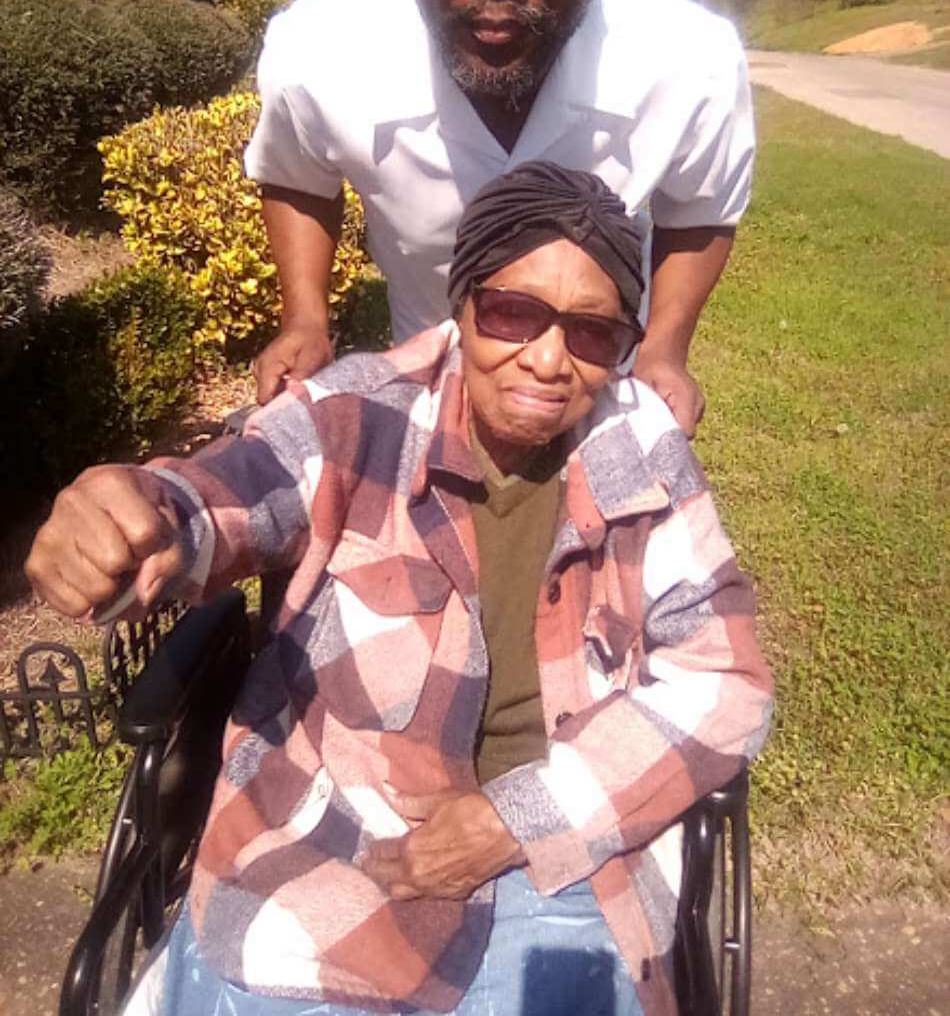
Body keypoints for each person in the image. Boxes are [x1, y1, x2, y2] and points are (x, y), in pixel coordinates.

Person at [27, 163, 772, 1016]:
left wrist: (512, 819)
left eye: (593, 331)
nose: (548, 357)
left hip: (569, 856)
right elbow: (231, 495)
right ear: (461, 308)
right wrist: (137, 523)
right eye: (513, 312)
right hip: (333, 845)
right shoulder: (356, 418)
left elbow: (725, 680)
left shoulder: (641, 452)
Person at [248, 0, 755, 438]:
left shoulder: (691, 63)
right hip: (423, 389)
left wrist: (664, 349)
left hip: (594, 397)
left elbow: (699, 208)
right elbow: (296, 175)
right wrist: (305, 318)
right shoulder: (319, 56)